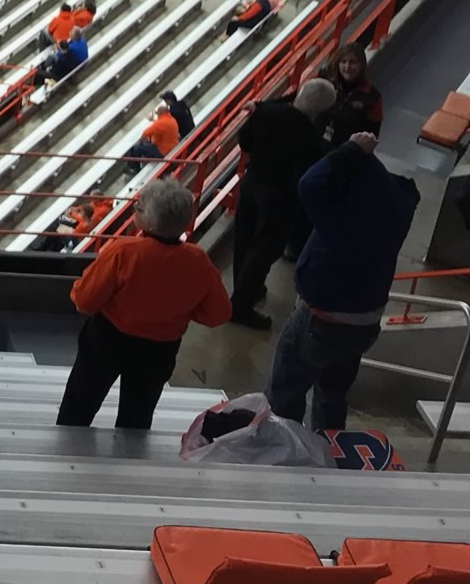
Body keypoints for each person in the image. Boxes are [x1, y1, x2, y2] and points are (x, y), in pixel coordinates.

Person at [266, 132, 419, 430]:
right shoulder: (397, 207)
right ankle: (329, 449)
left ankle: (283, 451)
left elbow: (309, 185)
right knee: (332, 394)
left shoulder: (344, 218)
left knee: (286, 389)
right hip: (363, 323)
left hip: (321, 321)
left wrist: (349, 150)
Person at [55, 179, 230, 429]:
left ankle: (64, 452)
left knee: (80, 403)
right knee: (137, 414)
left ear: (149, 220)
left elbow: (85, 300)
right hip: (159, 351)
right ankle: (130, 460)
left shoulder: (123, 252)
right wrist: (181, 310)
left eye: (138, 207)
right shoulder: (198, 261)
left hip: (108, 340)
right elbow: (218, 314)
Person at [228, 78, 337, 329]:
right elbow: (303, 177)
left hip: (251, 182)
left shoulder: (266, 112)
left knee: (244, 240)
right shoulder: (310, 137)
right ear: (320, 110)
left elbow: (244, 142)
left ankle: (245, 290)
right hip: (278, 199)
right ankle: (241, 306)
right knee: (263, 251)